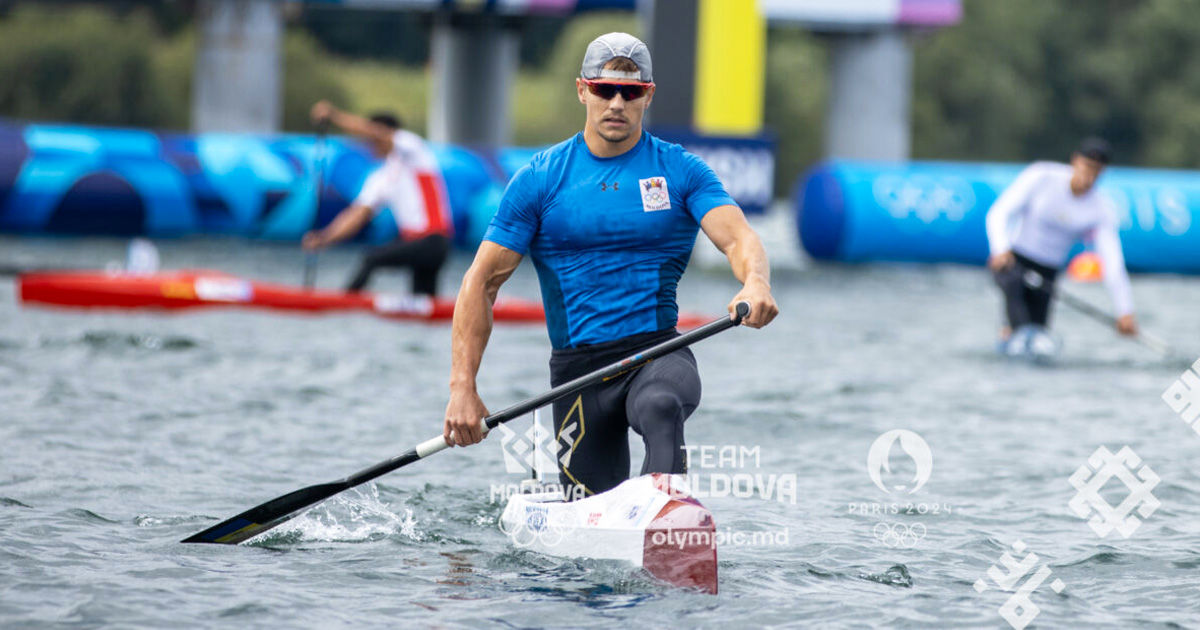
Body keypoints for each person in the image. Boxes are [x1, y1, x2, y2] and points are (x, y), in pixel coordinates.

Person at [441, 32, 779, 499]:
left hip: (657, 353)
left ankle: (664, 513)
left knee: (661, 404)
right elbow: (480, 283)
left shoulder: (681, 171)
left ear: (648, 96)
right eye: (604, 90)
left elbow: (739, 237)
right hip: (578, 374)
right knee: (588, 512)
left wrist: (755, 282)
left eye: (631, 92)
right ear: (583, 90)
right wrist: (463, 387)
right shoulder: (539, 179)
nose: (616, 103)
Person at [985, 137, 1138, 341]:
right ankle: (1014, 334)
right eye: (1088, 167)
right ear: (1075, 161)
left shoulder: (1101, 209)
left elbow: (1112, 263)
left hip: (1048, 273)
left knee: (1038, 331)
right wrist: (1000, 249)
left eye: (1097, 171)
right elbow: (999, 213)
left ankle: (1018, 337)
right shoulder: (1041, 176)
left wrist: (1125, 311)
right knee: (1016, 301)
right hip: (1014, 262)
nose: (1090, 177)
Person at [302, 101, 453, 296]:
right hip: (415, 244)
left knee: (371, 259)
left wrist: (333, 116)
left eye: (371, 140)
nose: (369, 145)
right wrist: (323, 238)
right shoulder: (380, 178)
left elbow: (375, 132)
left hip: (434, 242)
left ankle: (344, 303)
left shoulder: (412, 148)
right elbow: (357, 215)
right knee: (422, 305)